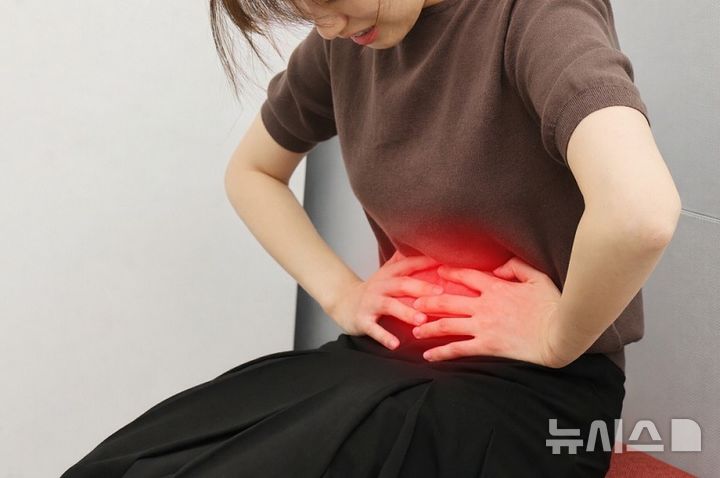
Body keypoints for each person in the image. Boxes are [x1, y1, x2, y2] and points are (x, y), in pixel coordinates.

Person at [61, 0, 681, 476]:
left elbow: (640, 211)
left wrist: (556, 336)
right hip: (387, 360)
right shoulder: (347, 40)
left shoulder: (535, 16)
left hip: (530, 397)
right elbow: (251, 173)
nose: (326, 24)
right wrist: (343, 294)